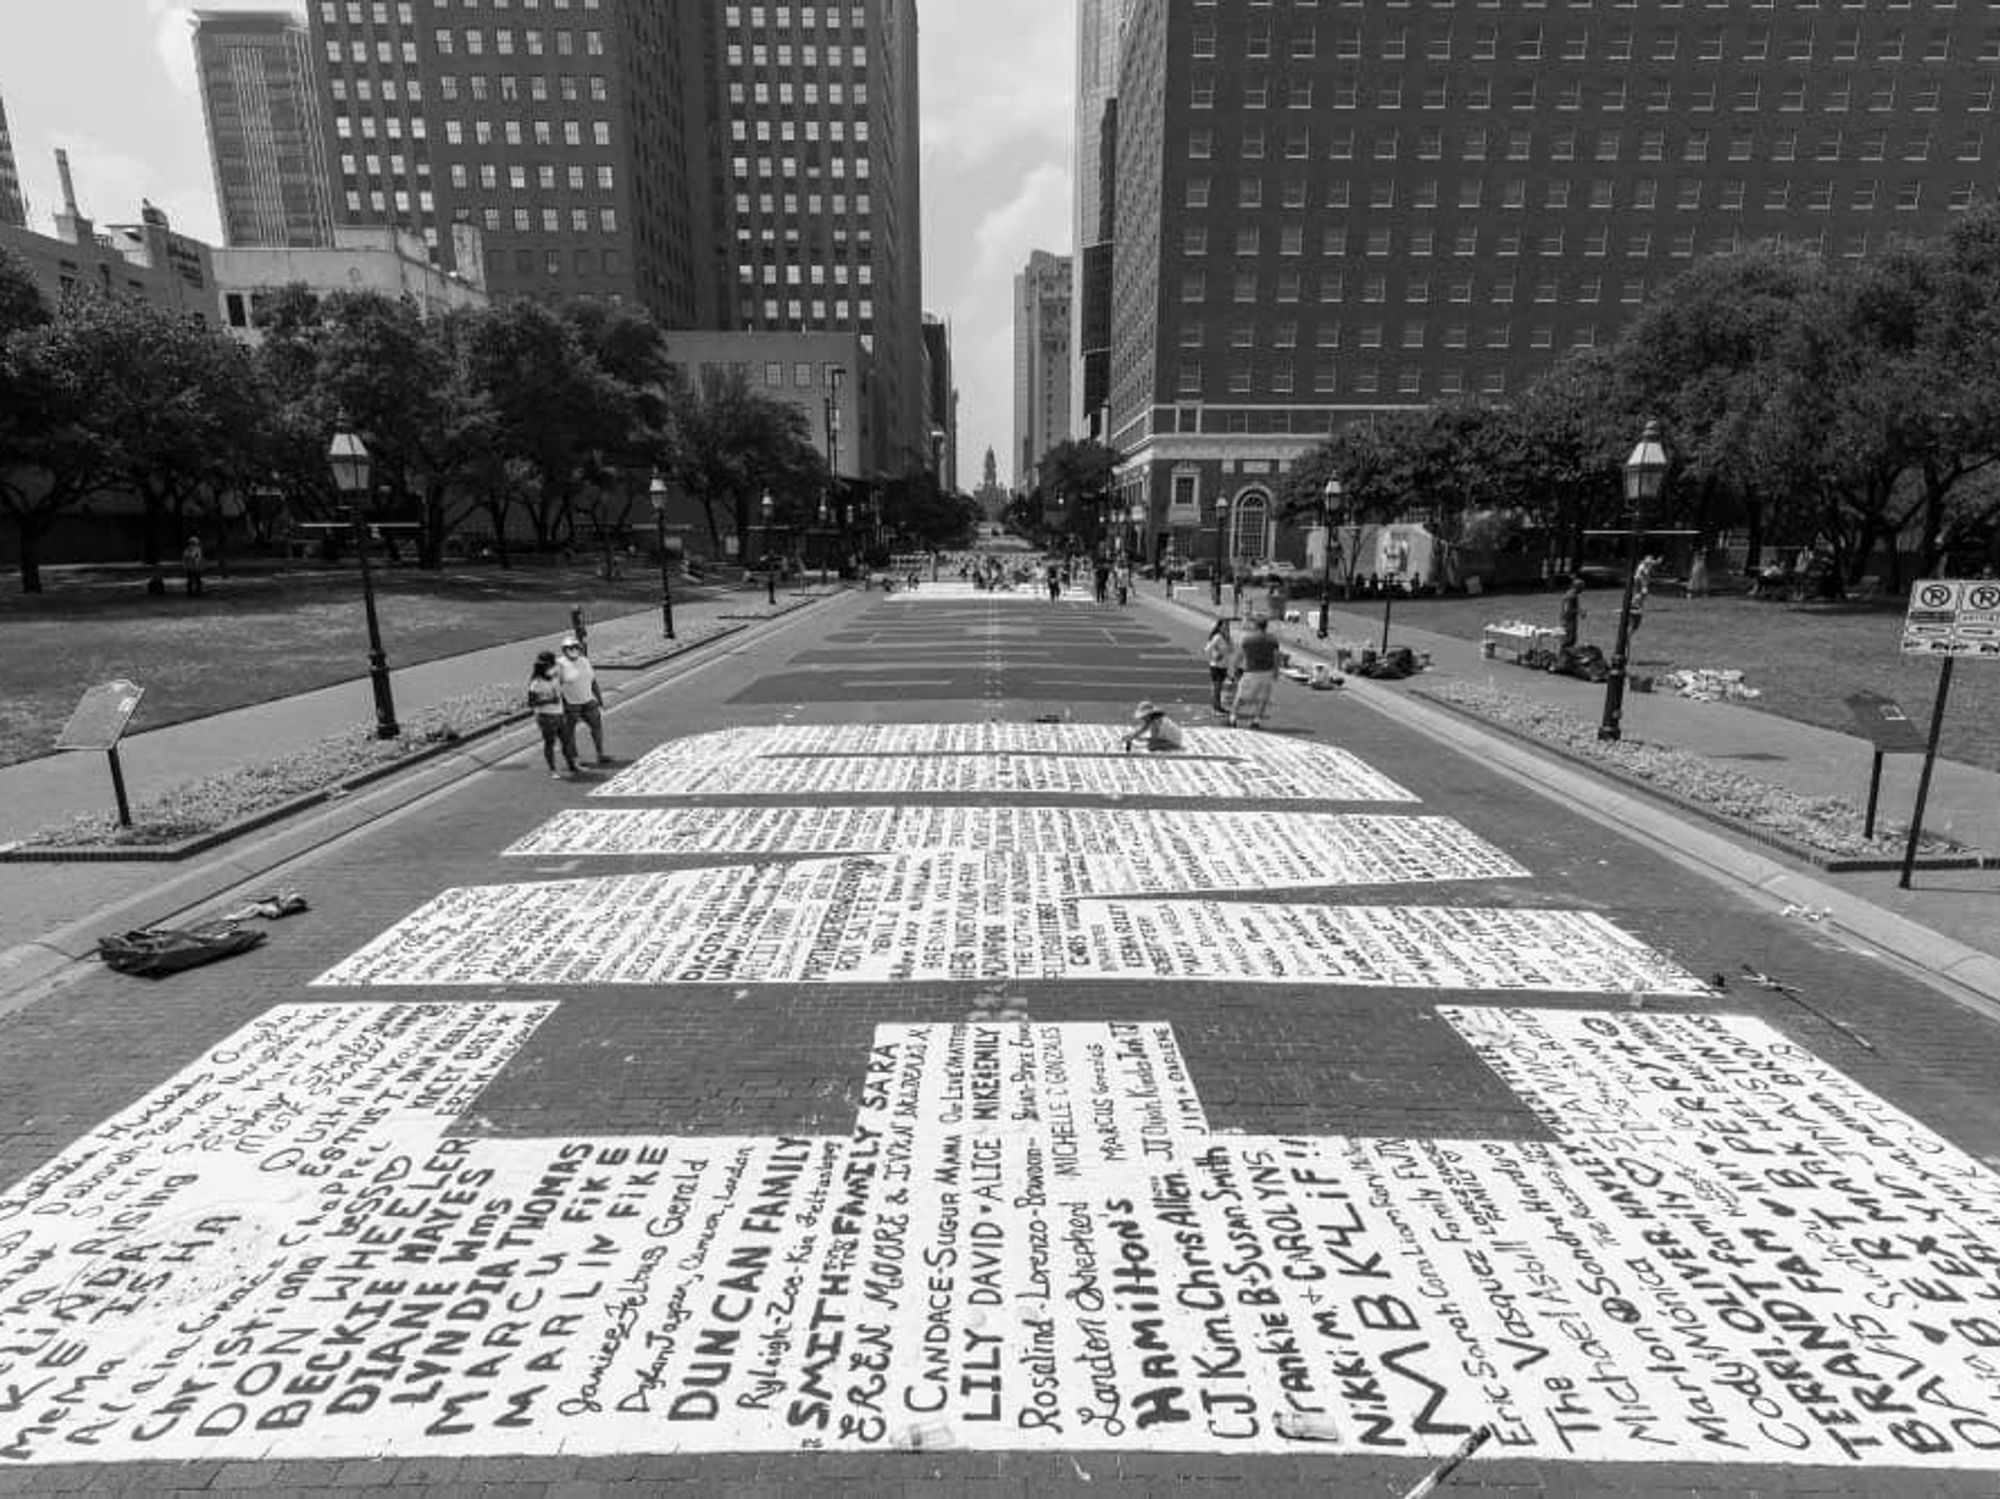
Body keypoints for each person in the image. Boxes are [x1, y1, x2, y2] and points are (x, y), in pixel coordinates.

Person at [556, 635, 609, 765]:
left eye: (575, 647)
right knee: (570, 733)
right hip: (571, 704)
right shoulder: (560, 664)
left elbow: (593, 681)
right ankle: (575, 759)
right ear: (564, 650)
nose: (573, 649)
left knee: (597, 727)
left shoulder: (584, 660)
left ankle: (600, 754)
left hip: (588, 701)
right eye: (570, 647)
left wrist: (599, 698)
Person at [527, 650, 579, 779]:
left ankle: (572, 765)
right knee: (550, 743)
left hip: (559, 714)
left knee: (566, 741)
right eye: (551, 664)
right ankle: (552, 770)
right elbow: (531, 703)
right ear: (544, 666)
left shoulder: (554, 677)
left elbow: (560, 692)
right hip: (546, 717)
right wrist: (549, 700)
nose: (553, 666)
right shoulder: (536, 683)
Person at [1229, 616, 1280, 729]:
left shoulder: (1248, 639)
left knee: (1241, 696)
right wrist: (1276, 671)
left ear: (1255, 626)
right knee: (1262, 698)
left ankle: (1233, 717)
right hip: (1267, 671)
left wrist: (1234, 668)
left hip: (1251, 671)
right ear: (1266, 626)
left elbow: (1240, 655)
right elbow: (1276, 657)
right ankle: (1256, 720)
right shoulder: (1273, 640)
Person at [1203, 617, 1235, 712]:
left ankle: (1217, 706)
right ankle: (1216, 707)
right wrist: (1215, 656)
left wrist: (1227, 647)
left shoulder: (1228, 637)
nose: (1226, 627)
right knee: (1217, 687)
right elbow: (1207, 649)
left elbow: (1232, 649)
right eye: (1224, 625)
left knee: (1219, 687)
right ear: (1219, 626)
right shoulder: (1217, 637)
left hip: (1224, 666)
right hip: (1215, 666)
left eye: (1227, 626)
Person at [1559, 576, 1586, 649]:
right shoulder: (1572, 596)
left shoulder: (1569, 593)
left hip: (1566, 619)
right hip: (1569, 620)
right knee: (1570, 640)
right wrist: (1580, 612)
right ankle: (1566, 655)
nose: (1583, 589)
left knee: (1568, 639)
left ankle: (1566, 654)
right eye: (1582, 586)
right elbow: (1567, 609)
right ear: (1578, 587)